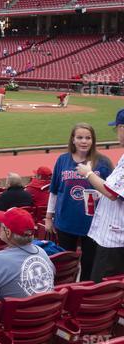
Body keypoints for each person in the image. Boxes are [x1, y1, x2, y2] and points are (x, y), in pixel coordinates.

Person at [46, 123, 112, 281]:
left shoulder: (103, 162)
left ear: (93, 140)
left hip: (93, 225)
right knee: (65, 265)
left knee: (88, 266)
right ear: (73, 140)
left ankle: (81, 298)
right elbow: (54, 191)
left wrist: (99, 193)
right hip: (65, 222)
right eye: (80, 137)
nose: (84, 141)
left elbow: (112, 193)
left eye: (88, 138)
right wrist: (49, 217)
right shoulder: (62, 160)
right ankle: (64, 295)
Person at [76, 109, 124, 282]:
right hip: (116, 238)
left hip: (115, 240)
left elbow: (111, 193)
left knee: (103, 291)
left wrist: (88, 173)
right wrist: (100, 194)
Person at [0, 208, 55, 298]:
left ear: (8, 232)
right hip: (47, 309)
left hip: (13, 311)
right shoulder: (41, 251)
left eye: (1, 225)